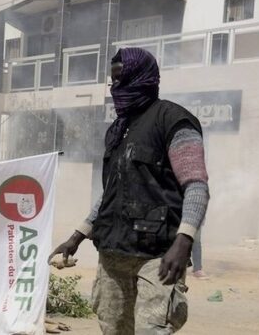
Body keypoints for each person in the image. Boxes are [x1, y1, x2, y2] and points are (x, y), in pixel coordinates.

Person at [50, 48, 209, 335]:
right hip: (113, 252)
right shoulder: (118, 130)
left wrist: (183, 241)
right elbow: (113, 190)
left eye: (121, 79)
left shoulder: (173, 121)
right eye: (112, 81)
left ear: (141, 78)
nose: (115, 88)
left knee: (152, 329)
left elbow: (196, 185)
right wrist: (77, 236)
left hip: (157, 256)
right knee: (113, 329)